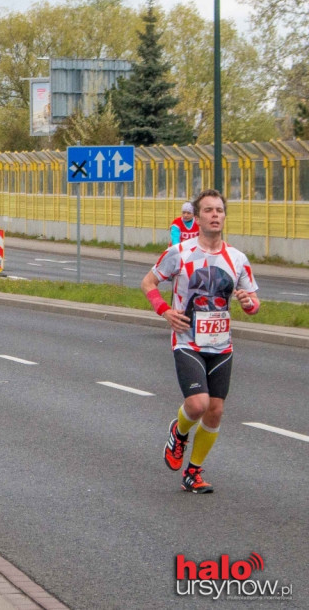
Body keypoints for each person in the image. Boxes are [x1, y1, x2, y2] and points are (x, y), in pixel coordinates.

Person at [141, 189, 260, 494]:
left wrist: (247, 302)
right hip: (187, 341)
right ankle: (178, 432)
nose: (215, 215)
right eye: (208, 210)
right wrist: (165, 311)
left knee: (215, 410)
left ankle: (193, 472)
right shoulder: (179, 252)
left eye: (219, 210)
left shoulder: (237, 258)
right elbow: (149, 282)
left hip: (222, 345)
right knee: (198, 404)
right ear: (197, 216)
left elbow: (253, 303)